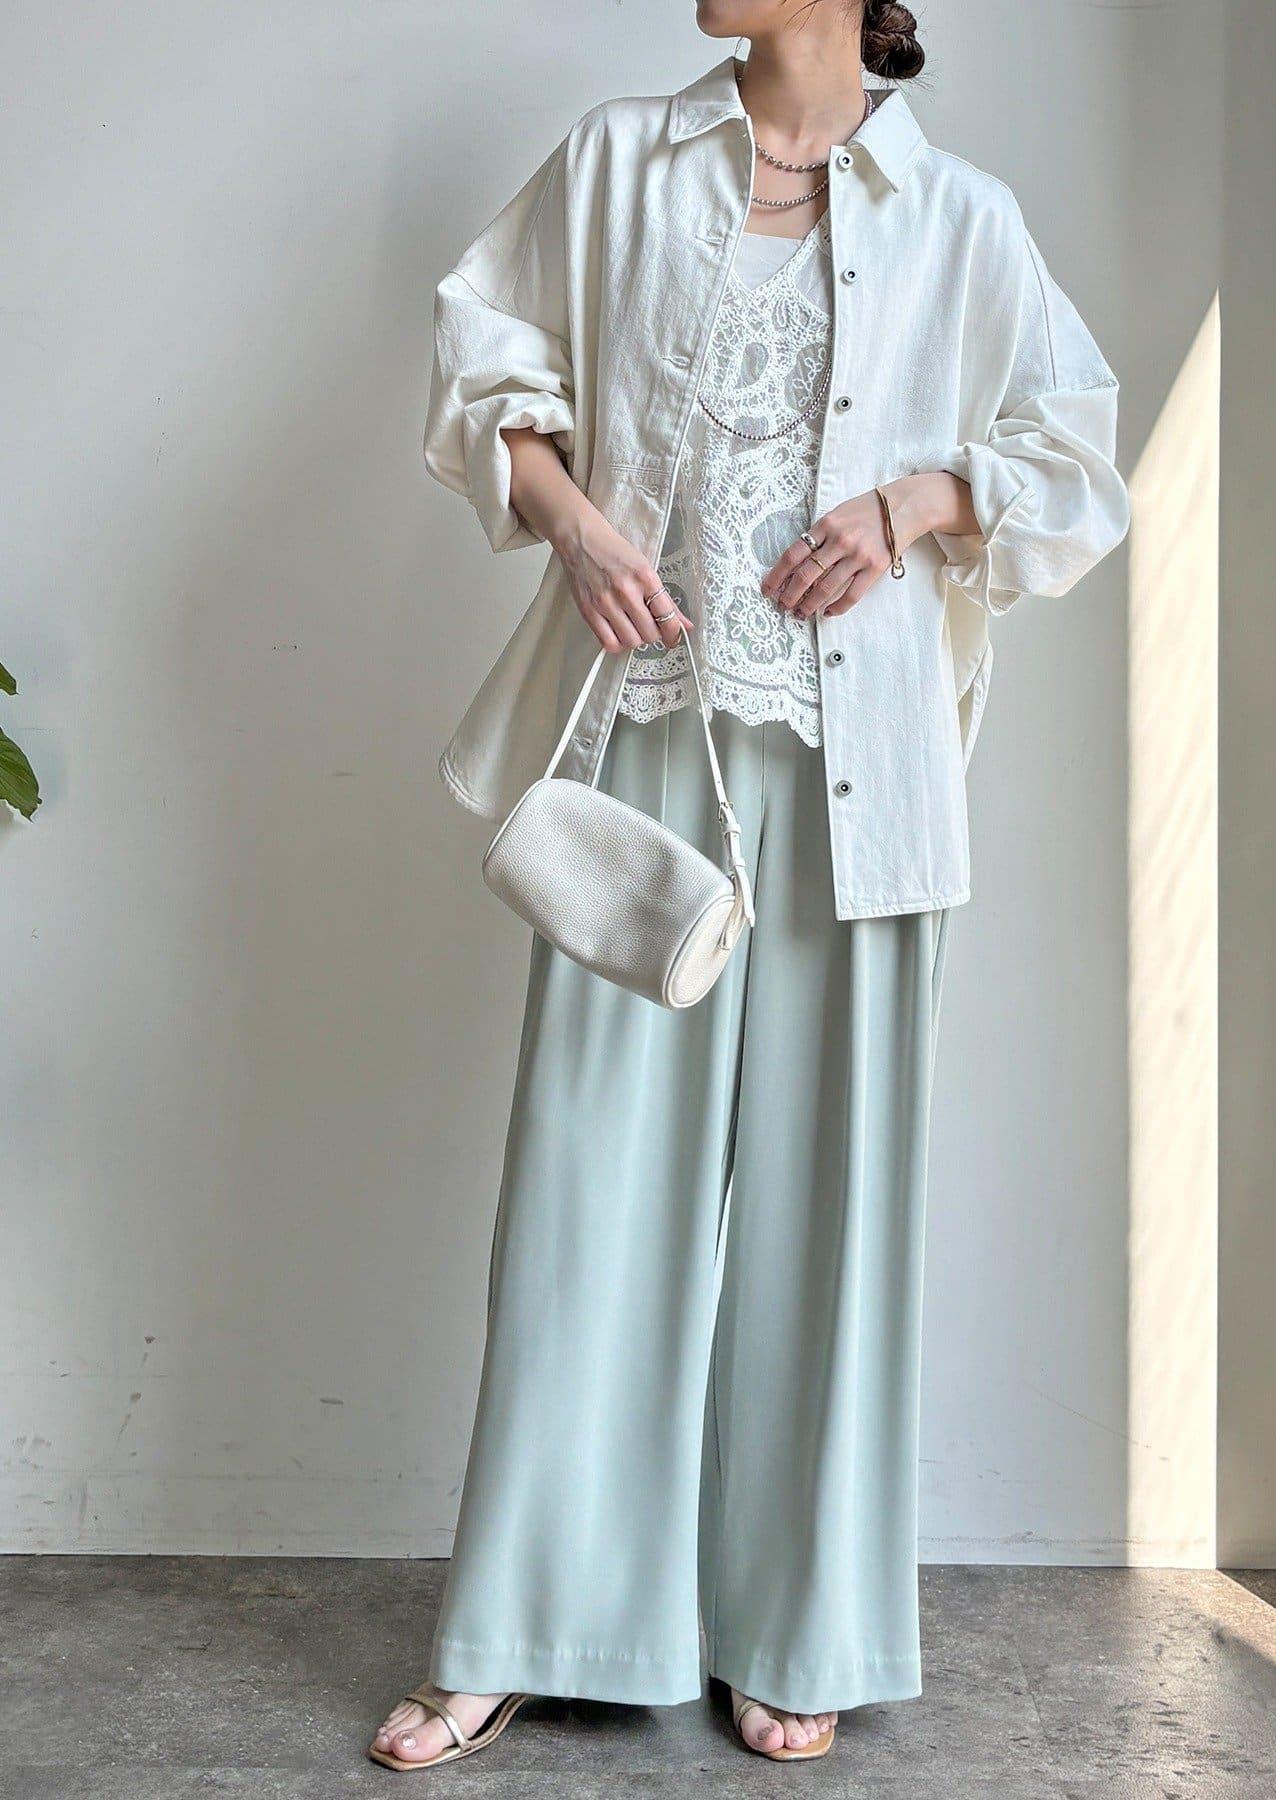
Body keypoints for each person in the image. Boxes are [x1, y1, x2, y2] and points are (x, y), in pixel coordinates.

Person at [371, 0, 1128, 1772]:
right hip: (646, 736)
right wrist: (577, 525)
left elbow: (1081, 464)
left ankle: (800, 1625)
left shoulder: (963, 218)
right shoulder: (620, 162)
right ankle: (529, 1620)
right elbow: (482, 361)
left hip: (868, 779)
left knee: (830, 1207)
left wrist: (918, 503)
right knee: (588, 1195)